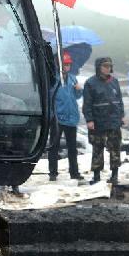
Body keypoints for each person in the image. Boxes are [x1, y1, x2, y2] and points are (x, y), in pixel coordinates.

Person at [82, 57, 125, 185]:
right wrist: (89, 119)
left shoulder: (115, 82)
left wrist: (121, 115)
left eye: (109, 66)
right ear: (98, 67)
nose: (108, 68)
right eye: (105, 66)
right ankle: (96, 176)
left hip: (113, 121)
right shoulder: (90, 83)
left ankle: (114, 175)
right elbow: (87, 104)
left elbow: (119, 100)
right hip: (98, 121)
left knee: (115, 148)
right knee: (97, 148)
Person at [48, 51, 84, 181]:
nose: (66, 67)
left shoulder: (73, 78)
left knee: (72, 148)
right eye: (64, 64)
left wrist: (79, 90)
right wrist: (51, 115)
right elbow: (50, 96)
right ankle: (53, 172)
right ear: (58, 64)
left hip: (71, 118)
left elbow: (77, 96)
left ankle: (74, 172)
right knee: (54, 146)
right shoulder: (54, 79)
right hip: (58, 118)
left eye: (68, 64)